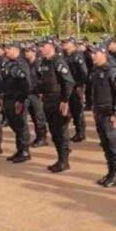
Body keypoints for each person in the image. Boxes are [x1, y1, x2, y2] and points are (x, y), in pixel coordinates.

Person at [88, 43, 116, 188]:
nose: (92, 56)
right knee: (105, 144)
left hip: (110, 114)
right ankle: (110, 171)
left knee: (113, 144)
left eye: (95, 53)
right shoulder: (96, 71)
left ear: (103, 54)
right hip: (99, 112)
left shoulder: (112, 72)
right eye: (92, 53)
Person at [37, 37, 75, 173]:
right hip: (48, 101)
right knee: (54, 132)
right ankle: (60, 158)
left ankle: (64, 161)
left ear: (51, 46)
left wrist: (65, 101)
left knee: (61, 131)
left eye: (43, 46)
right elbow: (42, 81)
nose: (40, 49)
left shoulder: (58, 61)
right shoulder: (44, 62)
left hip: (58, 100)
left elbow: (68, 82)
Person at [2, 42, 32, 163]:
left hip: (17, 100)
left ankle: (25, 151)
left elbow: (26, 84)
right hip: (8, 98)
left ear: (16, 49)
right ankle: (19, 150)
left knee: (21, 125)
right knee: (14, 125)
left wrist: (21, 100)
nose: (6, 51)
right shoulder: (9, 63)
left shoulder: (21, 64)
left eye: (8, 48)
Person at [62, 37, 89, 143]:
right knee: (70, 109)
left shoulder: (77, 55)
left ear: (72, 44)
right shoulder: (65, 55)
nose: (64, 44)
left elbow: (84, 72)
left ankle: (80, 132)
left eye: (66, 42)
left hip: (76, 86)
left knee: (77, 110)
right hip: (68, 86)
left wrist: (80, 85)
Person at [24, 45, 48, 147]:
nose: (26, 53)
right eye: (25, 51)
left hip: (37, 94)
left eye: (28, 51)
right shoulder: (26, 64)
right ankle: (38, 137)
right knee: (33, 116)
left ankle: (42, 138)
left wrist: (42, 92)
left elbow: (44, 79)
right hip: (29, 93)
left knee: (39, 116)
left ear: (34, 52)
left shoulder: (39, 64)